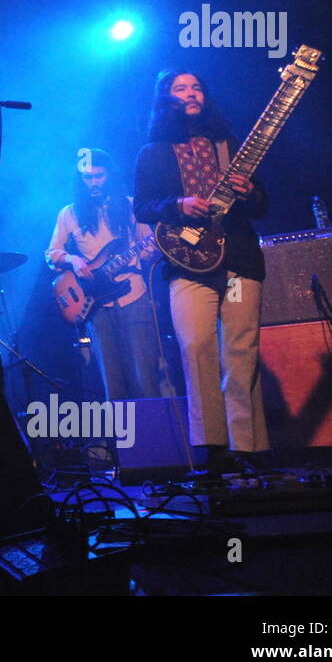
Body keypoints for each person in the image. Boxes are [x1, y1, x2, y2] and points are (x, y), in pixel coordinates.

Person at [133, 69, 270, 475]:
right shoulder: (153, 152)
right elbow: (142, 207)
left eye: (196, 87)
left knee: (240, 353)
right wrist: (178, 205)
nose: (191, 93)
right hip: (187, 266)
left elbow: (263, 205)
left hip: (240, 261)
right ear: (165, 99)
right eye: (181, 88)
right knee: (195, 348)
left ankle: (246, 450)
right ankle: (213, 448)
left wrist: (251, 193)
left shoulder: (231, 145)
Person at [46, 148, 163, 400]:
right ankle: (124, 439)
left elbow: (147, 247)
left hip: (134, 296)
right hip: (95, 306)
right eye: (88, 178)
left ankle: (154, 437)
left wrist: (149, 251)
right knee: (113, 384)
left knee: (145, 377)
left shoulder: (132, 206)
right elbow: (51, 254)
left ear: (109, 175)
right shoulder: (69, 213)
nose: (94, 182)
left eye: (99, 176)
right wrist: (73, 259)